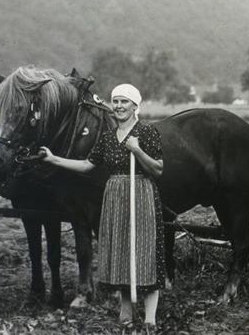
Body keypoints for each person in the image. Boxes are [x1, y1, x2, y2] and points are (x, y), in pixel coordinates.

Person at [40, 84, 164, 333]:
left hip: (140, 193)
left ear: (134, 106)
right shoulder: (107, 137)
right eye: (115, 101)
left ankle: (150, 316)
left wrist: (137, 150)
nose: (118, 106)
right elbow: (87, 165)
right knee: (121, 251)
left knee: (144, 252)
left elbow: (158, 169)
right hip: (115, 196)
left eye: (124, 102)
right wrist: (54, 159)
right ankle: (126, 310)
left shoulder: (147, 132)